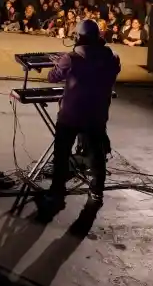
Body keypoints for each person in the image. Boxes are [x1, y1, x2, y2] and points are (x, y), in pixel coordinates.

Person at [43, 19, 120, 212]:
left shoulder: (70, 58)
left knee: (61, 154)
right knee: (97, 154)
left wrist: (59, 62)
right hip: (97, 113)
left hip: (71, 114)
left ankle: (57, 192)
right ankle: (97, 191)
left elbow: (53, 77)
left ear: (78, 36)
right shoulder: (112, 57)